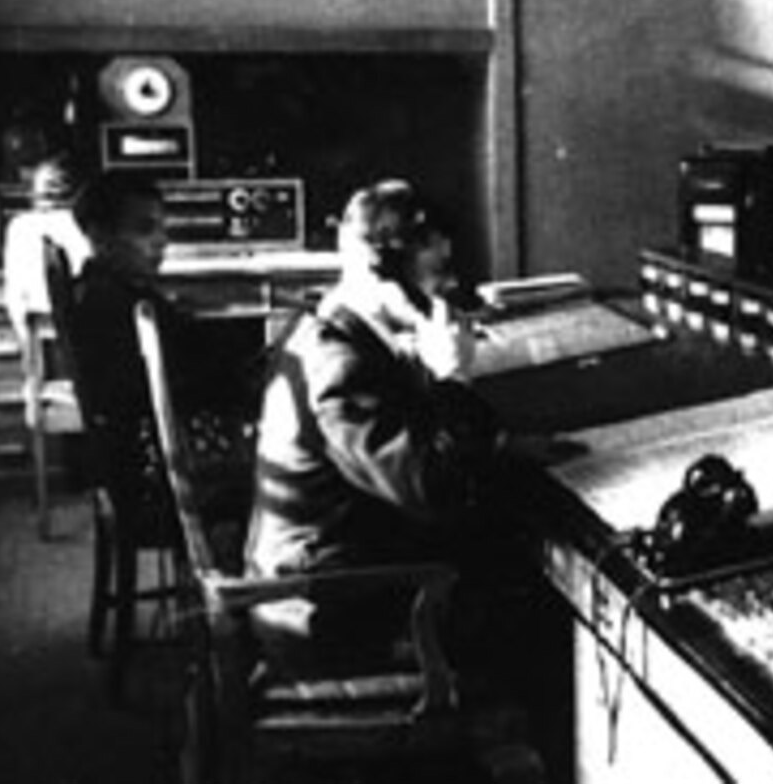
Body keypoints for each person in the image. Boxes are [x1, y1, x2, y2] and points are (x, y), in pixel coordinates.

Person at [245, 178, 498, 677]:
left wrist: (502, 445)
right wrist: (454, 378)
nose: (448, 289)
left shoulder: (341, 330)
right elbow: (429, 487)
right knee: (527, 605)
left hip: (336, 574)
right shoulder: (341, 364)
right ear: (387, 276)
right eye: (438, 272)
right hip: (326, 614)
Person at [69, 171, 255, 515]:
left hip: (144, 461)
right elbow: (177, 384)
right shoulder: (120, 304)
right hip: (162, 476)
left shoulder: (102, 288)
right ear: (99, 235)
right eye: (145, 229)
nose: (162, 241)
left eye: (162, 229)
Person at [2, 154, 90, 359]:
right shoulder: (84, 224)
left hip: (40, 345)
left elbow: (14, 297)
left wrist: (26, 342)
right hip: (88, 345)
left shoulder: (19, 227)